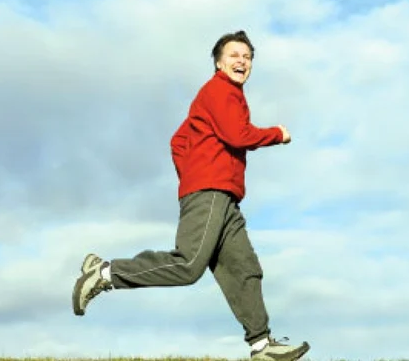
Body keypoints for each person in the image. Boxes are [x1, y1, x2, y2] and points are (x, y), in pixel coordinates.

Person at [71, 30, 310, 361]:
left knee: (244, 267)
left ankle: (262, 345)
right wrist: (276, 135)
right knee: (188, 265)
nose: (241, 61)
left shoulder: (221, 97)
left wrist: (195, 172)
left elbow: (178, 140)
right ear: (218, 62)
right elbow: (237, 135)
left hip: (222, 196)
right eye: (234, 55)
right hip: (210, 192)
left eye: (247, 57)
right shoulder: (219, 91)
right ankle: (105, 274)